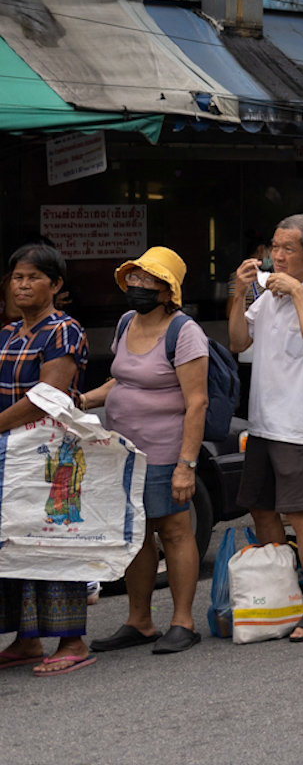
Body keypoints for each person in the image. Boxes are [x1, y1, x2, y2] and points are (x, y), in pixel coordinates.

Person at [79, 247, 208, 656]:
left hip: (165, 452)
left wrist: (186, 465)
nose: (137, 286)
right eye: (133, 278)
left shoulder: (184, 332)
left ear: (167, 290)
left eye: (148, 280)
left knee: (173, 530)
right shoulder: (125, 322)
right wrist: (82, 401)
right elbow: (122, 381)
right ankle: (140, 621)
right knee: (136, 536)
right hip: (123, 452)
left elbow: (197, 402)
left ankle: (183, 621)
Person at [224, 216, 303, 643]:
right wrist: (239, 294)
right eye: (274, 247)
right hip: (262, 420)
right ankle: (286, 596)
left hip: (297, 425)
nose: (276, 256)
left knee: (299, 512)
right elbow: (239, 342)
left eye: (288, 249)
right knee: (261, 509)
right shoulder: (268, 295)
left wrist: (297, 292)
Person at [0, 244, 93, 675]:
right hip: (9, 452)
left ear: (55, 285)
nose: (22, 284)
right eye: (17, 277)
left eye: (33, 277)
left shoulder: (63, 331)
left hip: (49, 454)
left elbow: (47, 399)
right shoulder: (7, 333)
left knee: (55, 540)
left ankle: (71, 639)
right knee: (15, 542)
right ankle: (27, 639)